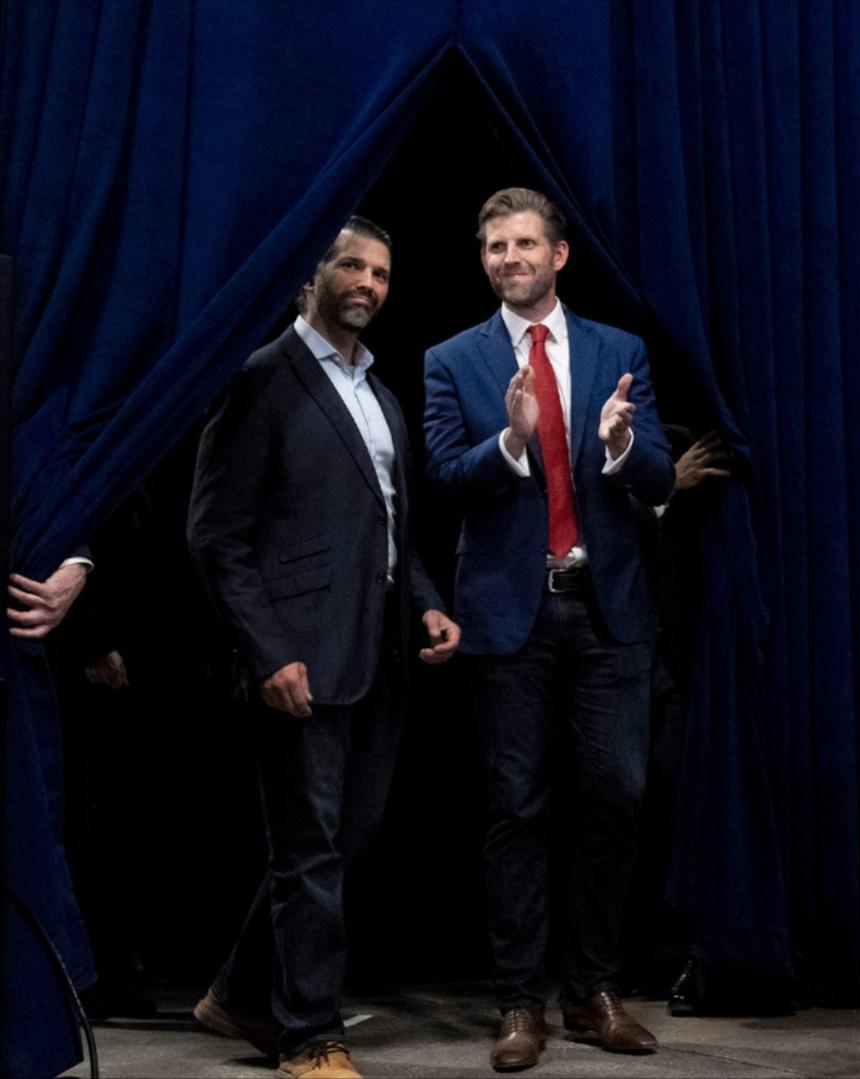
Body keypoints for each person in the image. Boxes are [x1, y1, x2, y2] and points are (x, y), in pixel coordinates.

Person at [187, 216, 460, 1079]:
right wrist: (267, 651)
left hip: (377, 656)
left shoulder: (380, 395)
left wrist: (426, 604)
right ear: (313, 273)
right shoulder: (263, 378)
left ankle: (236, 992)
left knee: (341, 843)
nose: (369, 283)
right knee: (308, 852)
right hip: (297, 657)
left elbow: (388, 525)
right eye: (352, 264)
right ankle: (310, 1034)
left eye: (382, 271)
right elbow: (216, 535)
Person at [421, 187, 675, 1072]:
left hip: (608, 614)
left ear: (558, 254)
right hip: (508, 615)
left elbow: (660, 479)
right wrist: (511, 443)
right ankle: (519, 1003)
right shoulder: (451, 359)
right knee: (516, 809)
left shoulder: (619, 350)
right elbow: (444, 479)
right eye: (495, 246)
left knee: (617, 796)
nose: (509, 257)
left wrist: (618, 445)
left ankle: (594, 990)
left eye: (525, 242)